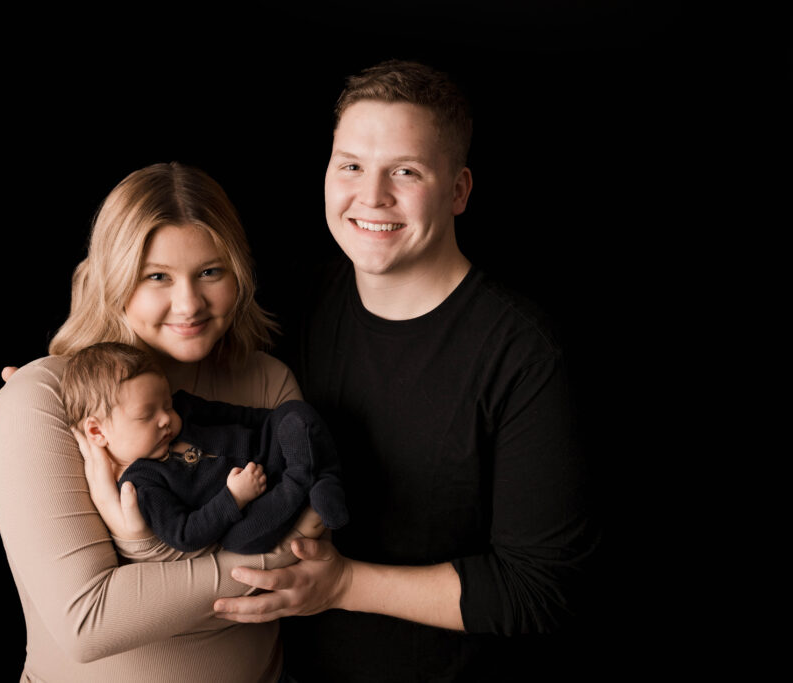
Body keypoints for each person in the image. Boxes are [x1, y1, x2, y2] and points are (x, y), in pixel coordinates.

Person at [210, 60, 600, 681]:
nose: (371, 197)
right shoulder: (292, 305)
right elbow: (161, 369)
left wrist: (341, 586)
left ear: (459, 190)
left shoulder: (523, 355)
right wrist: (40, 399)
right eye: (351, 166)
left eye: (406, 172)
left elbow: (540, 589)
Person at [0, 162, 324, 682]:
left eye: (211, 271)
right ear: (115, 279)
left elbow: (312, 540)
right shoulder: (45, 397)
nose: (188, 304)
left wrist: (142, 567)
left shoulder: (266, 383)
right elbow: (89, 624)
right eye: (156, 276)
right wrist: (259, 569)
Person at [61, 340, 348, 555]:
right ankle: (306, 482)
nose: (166, 419)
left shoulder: (185, 409)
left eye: (167, 405)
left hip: (272, 448)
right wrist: (234, 498)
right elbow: (185, 533)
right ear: (98, 432)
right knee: (241, 540)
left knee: (294, 413)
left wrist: (278, 423)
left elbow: (241, 415)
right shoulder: (143, 484)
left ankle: (322, 479)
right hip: (256, 506)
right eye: (147, 415)